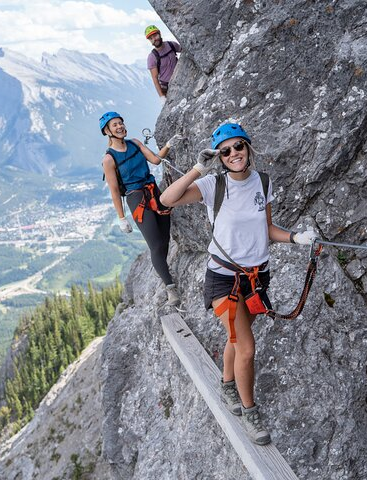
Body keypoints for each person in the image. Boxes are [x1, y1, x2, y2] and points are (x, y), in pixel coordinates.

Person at [159, 123, 319, 445]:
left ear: (248, 148)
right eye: (226, 150)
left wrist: (296, 238)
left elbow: (267, 228)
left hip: (257, 277)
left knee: (236, 337)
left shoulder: (263, 182)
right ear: (220, 156)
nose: (234, 154)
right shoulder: (212, 185)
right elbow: (167, 199)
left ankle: (228, 384)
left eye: (238, 147)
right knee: (246, 347)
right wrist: (197, 168)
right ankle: (250, 412)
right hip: (223, 278)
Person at [99, 111, 182, 307]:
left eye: (121, 123)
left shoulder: (135, 143)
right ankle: (170, 288)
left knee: (164, 238)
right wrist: (121, 218)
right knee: (155, 244)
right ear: (107, 131)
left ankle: (164, 272)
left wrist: (169, 144)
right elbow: (113, 190)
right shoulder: (109, 159)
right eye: (115, 125)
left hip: (154, 191)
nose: (120, 127)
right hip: (136, 199)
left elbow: (154, 160)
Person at [145, 25, 182, 102]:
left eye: (155, 35)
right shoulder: (152, 57)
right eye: (151, 38)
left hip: (181, 77)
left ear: (159, 34)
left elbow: (185, 51)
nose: (154, 39)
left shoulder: (172, 45)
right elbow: (155, 79)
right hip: (167, 87)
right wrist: (162, 97)